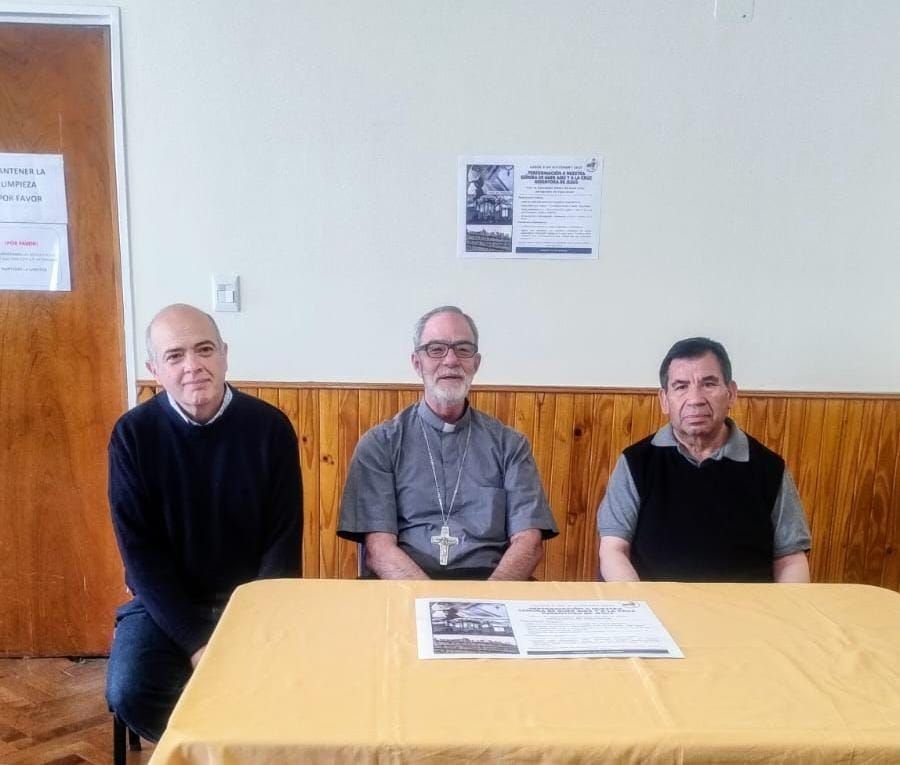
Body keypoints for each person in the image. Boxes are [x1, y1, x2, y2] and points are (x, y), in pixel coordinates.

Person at [105, 304, 302, 741]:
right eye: (175, 356)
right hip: (165, 604)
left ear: (225, 354)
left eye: (205, 349)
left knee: (298, 685)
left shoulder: (270, 428)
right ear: (154, 369)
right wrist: (197, 644)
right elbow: (141, 558)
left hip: (251, 601)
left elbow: (282, 544)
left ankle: (241, 747)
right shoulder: (133, 435)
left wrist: (256, 625)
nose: (193, 365)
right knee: (131, 690)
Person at [338, 305, 558, 580]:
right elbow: (379, 550)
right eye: (436, 349)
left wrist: (485, 600)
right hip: (404, 584)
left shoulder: (510, 445)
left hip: (492, 584)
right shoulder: (380, 444)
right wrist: (433, 600)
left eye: (463, 349)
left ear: (476, 363)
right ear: (417, 363)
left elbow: (529, 542)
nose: (451, 360)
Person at [597, 337, 811, 583]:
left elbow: (791, 558)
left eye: (708, 384)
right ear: (664, 399)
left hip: (744, 606)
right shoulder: (635, 463)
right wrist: (641, 603)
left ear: (731, 393)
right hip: (656, 603)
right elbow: (613, 550)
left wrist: (789, 606)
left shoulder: (769, 468)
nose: (695, 399)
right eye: (681, 386)